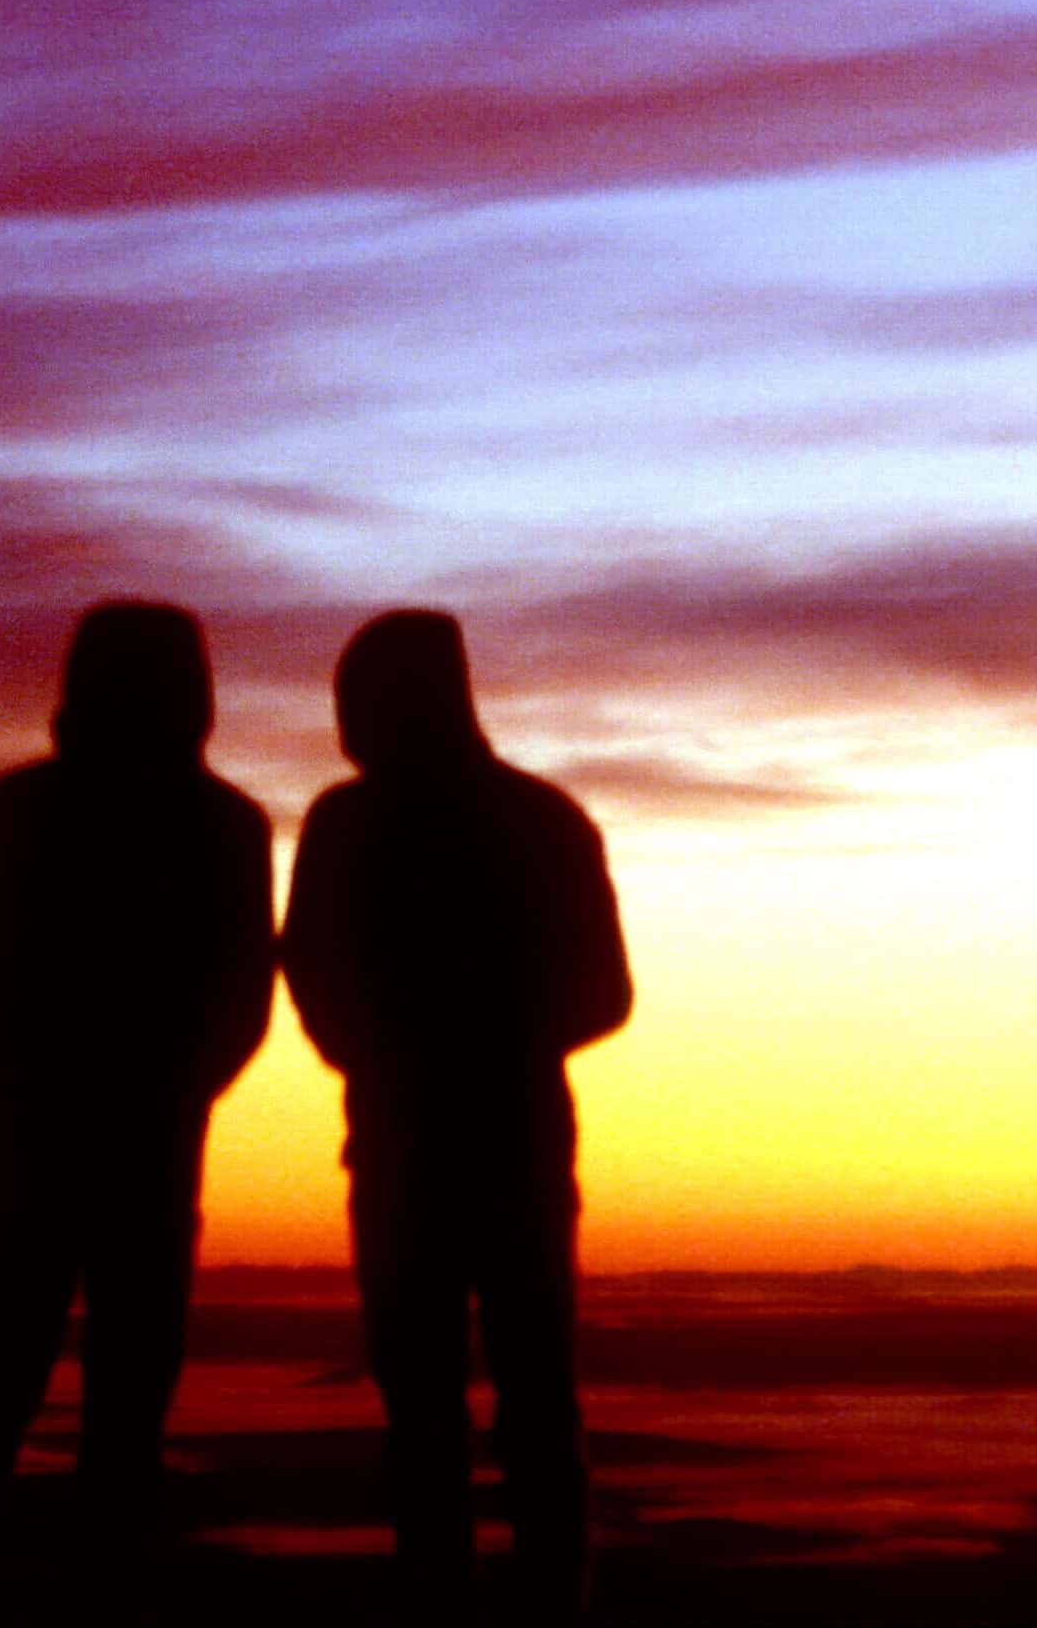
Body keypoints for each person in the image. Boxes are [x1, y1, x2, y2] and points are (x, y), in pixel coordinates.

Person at [0, 600, 276, 1611]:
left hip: (55, 1147)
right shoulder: (212, 820)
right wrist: (160, 1093)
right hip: (105, 1153)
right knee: (66, 1411)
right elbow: (238, 1000)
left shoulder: (36, 807)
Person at [282, 610, 632, 1625]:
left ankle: (501, 1600)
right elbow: (307, 968)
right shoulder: (533, 817)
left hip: (448, 1145)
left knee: (464, 1407)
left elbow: (604, 991)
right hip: (471, 1142)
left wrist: (401, 1045)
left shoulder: (378, 823)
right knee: (484, 1405)